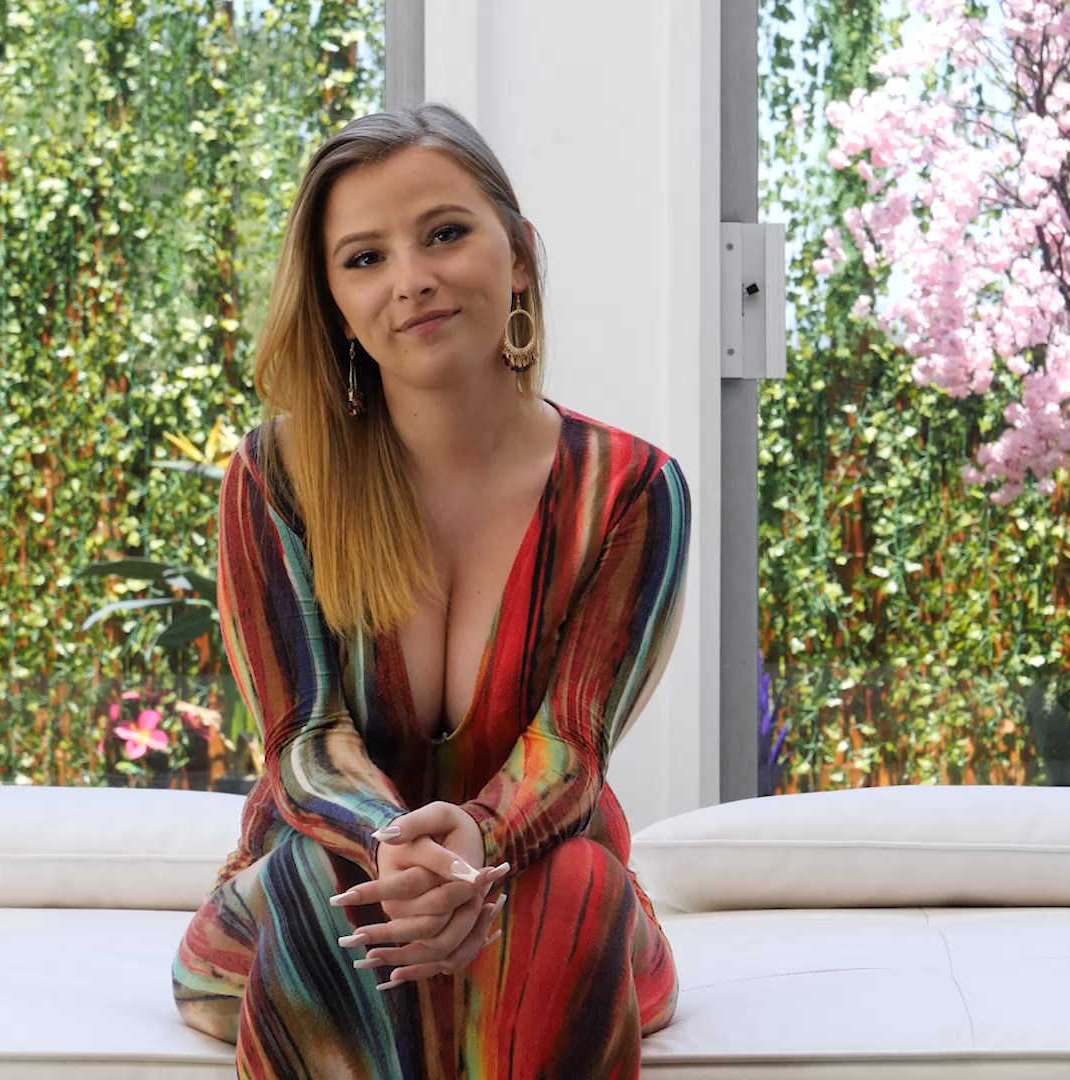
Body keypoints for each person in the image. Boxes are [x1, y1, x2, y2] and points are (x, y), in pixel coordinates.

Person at [170, 100, 691, 1080]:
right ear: (334, 301)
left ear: (519, 255)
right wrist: (394, 850)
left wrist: (480, 842)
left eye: (445, 233)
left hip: (539, 877)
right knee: (321, 886)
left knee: (575, 884)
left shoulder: (632, 490)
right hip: (324, 880)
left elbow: (571, 746)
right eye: (365, 257)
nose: (410, 279)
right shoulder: (277, 478)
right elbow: (304, 740)